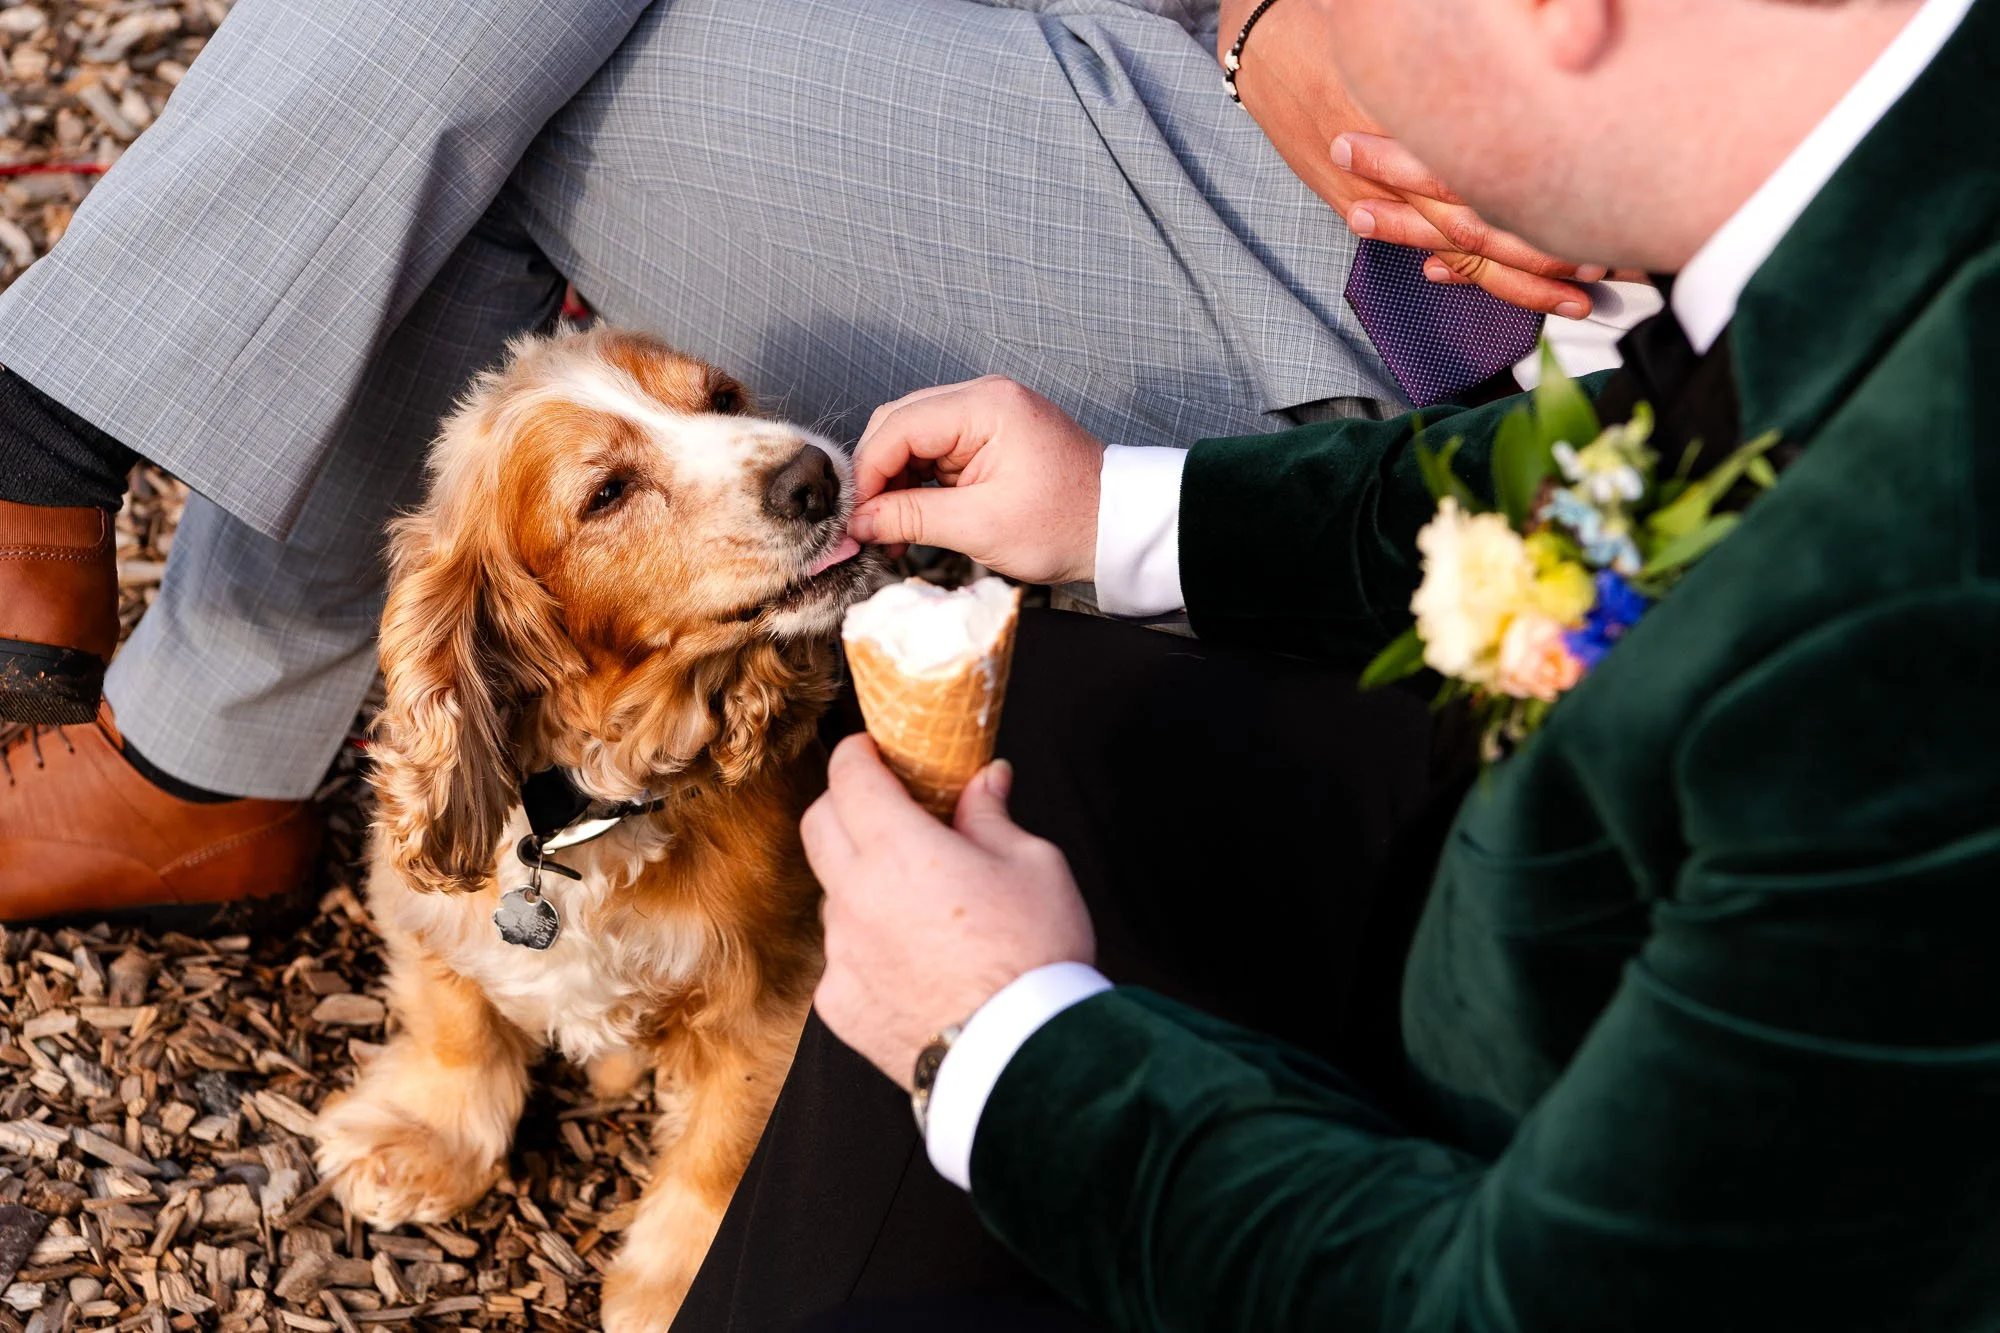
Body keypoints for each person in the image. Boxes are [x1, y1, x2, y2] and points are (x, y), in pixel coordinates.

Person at [782, 0, 2000, 1328]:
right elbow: (1614, 468)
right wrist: (1123, 515)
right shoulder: (1886, 160)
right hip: (1525, 877)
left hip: (1519, 1154)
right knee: (1056, 714)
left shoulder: (1919, 626)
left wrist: (1000, 1045)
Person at [0, 0, 1620, 918]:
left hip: (1394, 254)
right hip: (1195, 49)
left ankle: (174, 691)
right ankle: (149, 638)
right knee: (475, 58)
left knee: (499, 90)